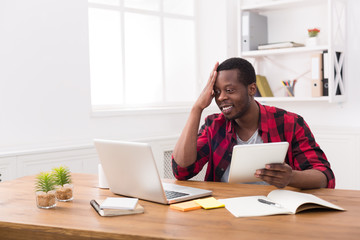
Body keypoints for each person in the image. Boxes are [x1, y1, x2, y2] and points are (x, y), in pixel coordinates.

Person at [172, 57, 335, 189]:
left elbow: (324, 176)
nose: (221, 97)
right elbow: (182, 171)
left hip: (277, 209)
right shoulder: (213, 125)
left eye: (229, 90)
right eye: (217, 92)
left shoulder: (289, 122)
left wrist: (291, 177)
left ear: (251, 89)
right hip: (224, 210)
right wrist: (197, 108)